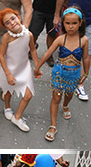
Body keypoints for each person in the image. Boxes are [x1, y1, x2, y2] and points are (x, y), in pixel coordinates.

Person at [35, 7, 90, 142]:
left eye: (74, 23)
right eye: (67, 23)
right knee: (56, 98)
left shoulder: (84, 40)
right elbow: (48, 53)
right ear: (63, 24)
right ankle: (53, 125)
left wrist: (86, 73)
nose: (70, 27)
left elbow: (86, 58)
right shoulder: (61, 39)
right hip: (59, 74)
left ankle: (66, 105)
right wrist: (37, 67)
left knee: (69, 95)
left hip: (74, 75)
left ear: (80, 23)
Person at [0, 9, 38, 133]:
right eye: (7, 23)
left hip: (24, 68)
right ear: (5, 27)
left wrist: (37, 66)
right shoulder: (7, 38)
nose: (12, 23)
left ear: (19, 17)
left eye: (13, 18)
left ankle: (17, 117)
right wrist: (8, 74)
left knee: (28, 94)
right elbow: (1, 56)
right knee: (8, 90)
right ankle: (7, 107)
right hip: (10, 68)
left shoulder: (29, 34)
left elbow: (32, 50)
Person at [54, 0, 91, 101]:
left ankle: (79, 84)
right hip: (72, 18)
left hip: (90, 20)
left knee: (86, 52)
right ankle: (64, 75)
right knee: (67, 48)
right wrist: (57, 15)